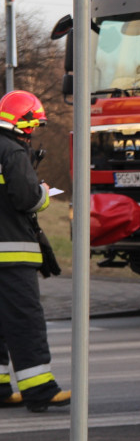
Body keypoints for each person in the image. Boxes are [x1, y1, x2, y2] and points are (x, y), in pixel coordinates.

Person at [0, 90, 71, 412]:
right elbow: (27, 198)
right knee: (24, 320)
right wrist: (43, 192)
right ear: (22, 121)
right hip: (12, 254)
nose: (33, 130)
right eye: (31, 124)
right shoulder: (13, 152)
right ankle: (40, 389)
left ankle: (0, 390)